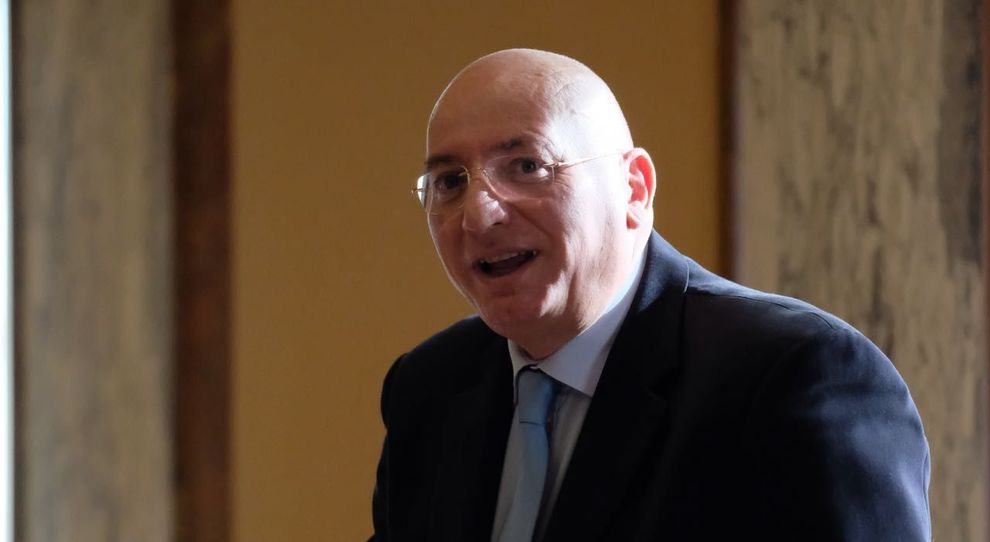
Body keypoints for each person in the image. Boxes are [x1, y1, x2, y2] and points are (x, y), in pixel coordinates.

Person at [370, 49, 930, 541]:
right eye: (450, 181)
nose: (479, 214)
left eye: (527, 166)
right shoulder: (430, 387)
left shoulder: (796, 375)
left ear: (634, 189)